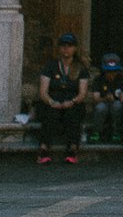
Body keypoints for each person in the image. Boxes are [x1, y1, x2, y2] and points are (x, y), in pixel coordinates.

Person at [33, 34, 89, 164]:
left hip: (72, 102)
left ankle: (73, 149)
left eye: (69, 46)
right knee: (49, 114)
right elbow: (43, 91)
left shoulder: (80, 68)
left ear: (75, 49)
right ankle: (43, 148)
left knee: (73, 114)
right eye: (63, 46)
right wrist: (52, 102)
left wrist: (72, 102)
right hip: (53, 101)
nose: (66, 49)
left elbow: (82, 93)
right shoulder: (50, 66)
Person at [88, 53, 123, 148]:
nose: (112, 74)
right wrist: (105, 98)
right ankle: (96, 132)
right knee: (100, 107)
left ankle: (116, 132)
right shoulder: (98, 79)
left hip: (116, 104)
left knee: (117, 106)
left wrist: (122, 97)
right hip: (102, 103)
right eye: (109, 71)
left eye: (114, 71)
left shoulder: (121, 79)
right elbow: (96, 98)